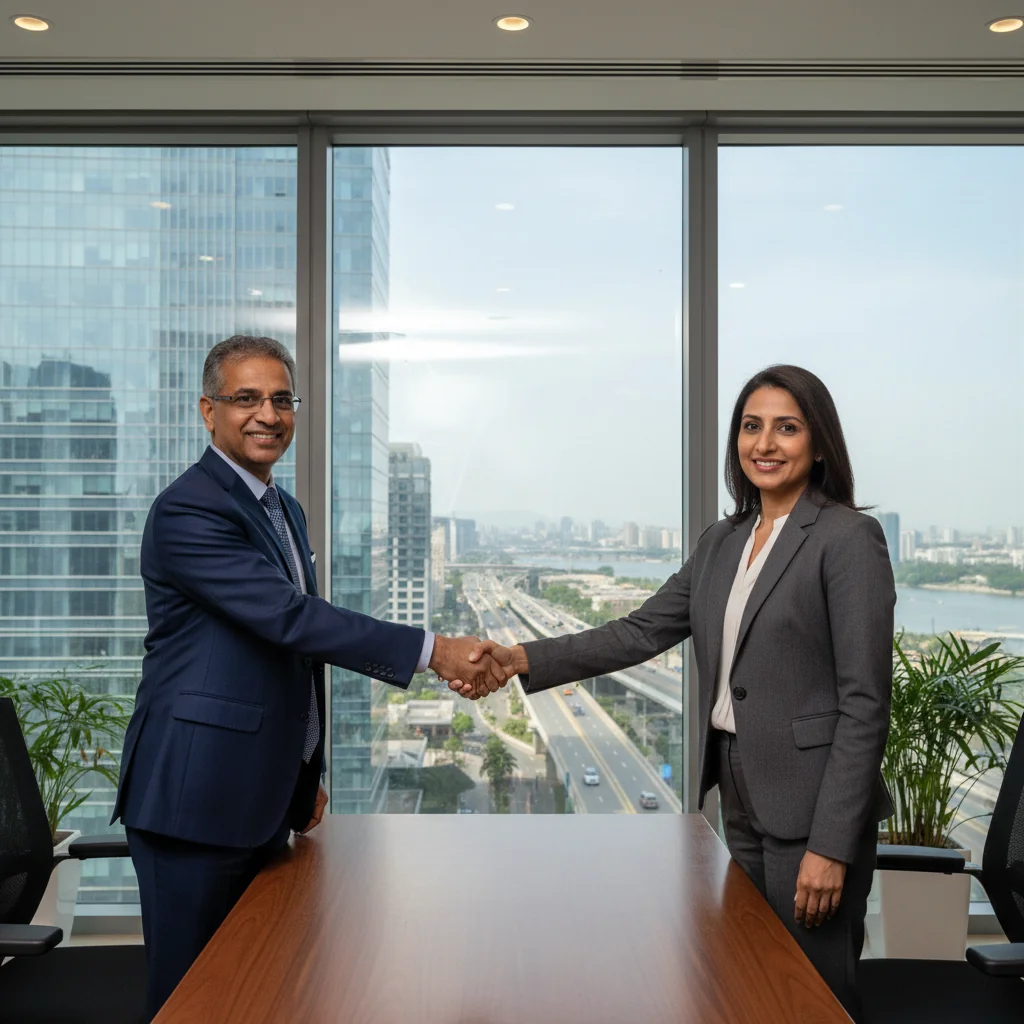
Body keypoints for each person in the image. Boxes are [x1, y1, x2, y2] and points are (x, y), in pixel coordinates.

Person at [448, 365, 894, 1020]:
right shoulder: (724, 540)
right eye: (751, 426)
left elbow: (865, 704)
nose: (764, 443)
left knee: (809, 993)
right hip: (738, 792)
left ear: (819, 444)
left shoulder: (846, 539)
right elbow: (639, 632)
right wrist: (518, 657)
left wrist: (831, 845)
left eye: (787, 428)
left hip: (813, 804)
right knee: (747, 978)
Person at [112, 334, 503, 1020]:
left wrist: (299, 774)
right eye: (246, 399)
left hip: (256, 798)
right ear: (208, 411)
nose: (268, 413)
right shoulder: (189, 509)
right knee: (192, 1001)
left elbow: (286, 658)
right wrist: (434, 651)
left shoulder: (281, 509)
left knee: (262, 992)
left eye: (281, 399)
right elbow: (290, 621)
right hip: (192, 803)